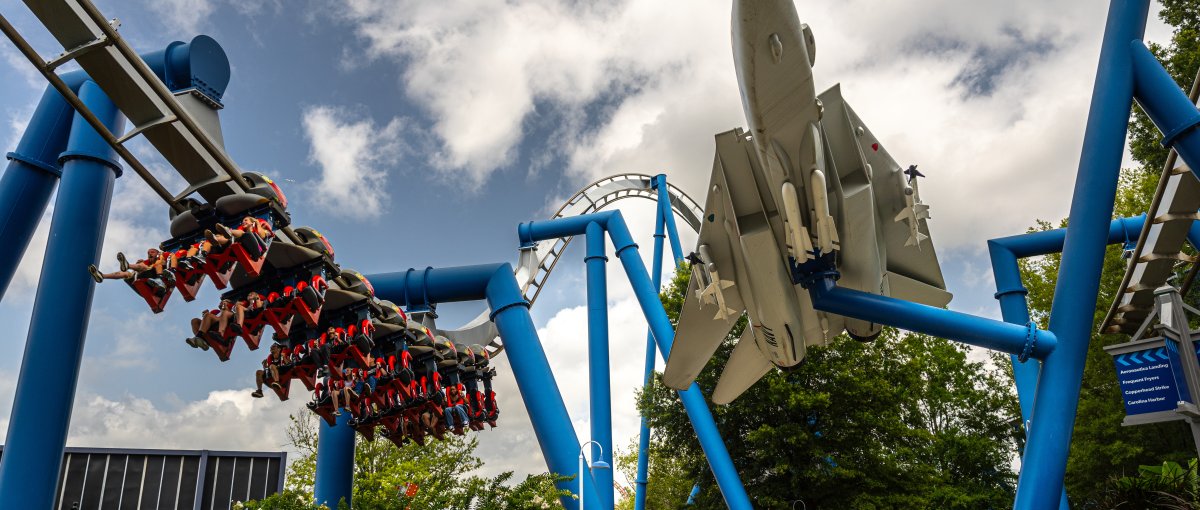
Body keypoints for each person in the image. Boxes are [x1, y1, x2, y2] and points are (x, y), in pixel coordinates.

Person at [88, 248, 174, 287]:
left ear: (157, 253)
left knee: (145, 267)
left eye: (152, 252)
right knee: (126, 273)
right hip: (145, 277)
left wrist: (172, 268)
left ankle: (127, 265)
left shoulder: (162, 256)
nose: (149, 254)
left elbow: (172, 257)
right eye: (148, 253)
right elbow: (141, 266)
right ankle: (102, 276)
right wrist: (138, 265)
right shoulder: (147, 262)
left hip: (156, 275)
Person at [205, 216, 273, 258]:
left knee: (245, 234)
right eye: (243, 221)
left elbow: (262, 236)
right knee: (229, 239)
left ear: (253, 222)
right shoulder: (244, 234)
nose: (243, 222)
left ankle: (228, 231)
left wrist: (257, 223)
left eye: (246, 220)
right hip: (244, 248)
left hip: (259, 249)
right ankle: (215, 239)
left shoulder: (261, 230)